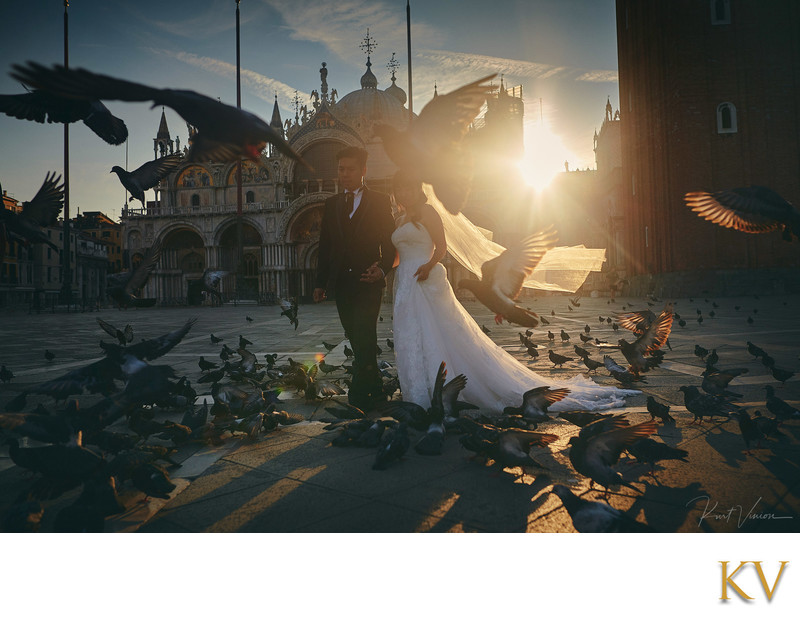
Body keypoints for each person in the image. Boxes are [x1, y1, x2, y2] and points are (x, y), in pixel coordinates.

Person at [389, 171, 638, 413]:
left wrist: (429, 265)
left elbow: (441, 247)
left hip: (426, 279)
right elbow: (398, 257)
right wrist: (380, 271)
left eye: (408, 186)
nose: (404, 192)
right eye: (399, 187)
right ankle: (417, 391)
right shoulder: (399, 219)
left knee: (437, 333)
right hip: (404, 283)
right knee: (411, 335)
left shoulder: (428, 212)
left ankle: (442, 391)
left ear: (417, 189)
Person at [314, 146, 396, 411]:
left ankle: (359, 396)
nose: (344, 174)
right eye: (341, 169)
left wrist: (382, 269)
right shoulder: (332, 204)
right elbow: (325, 246)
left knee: (364, 333)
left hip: (368, 281)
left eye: (350, 169)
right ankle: (375, 389)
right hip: (341, 283)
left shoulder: (380, 201)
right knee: (356, 335)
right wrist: (320, 283)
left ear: (363, 171)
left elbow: (390, 242)